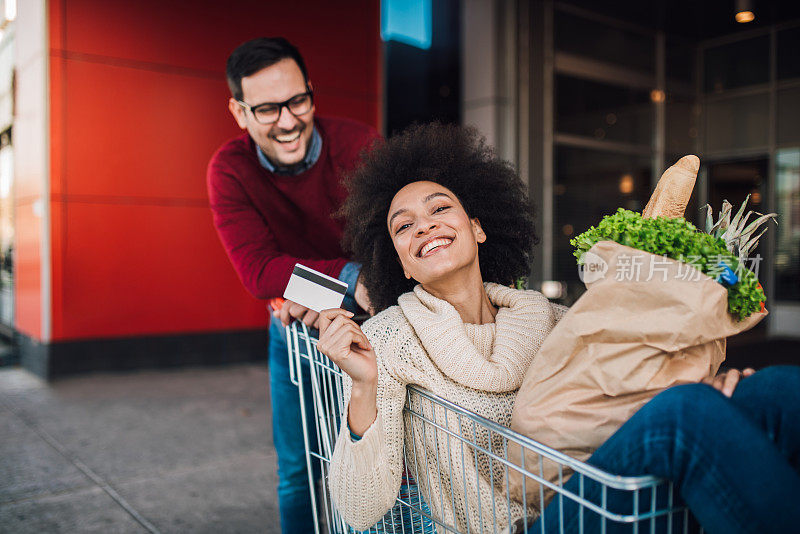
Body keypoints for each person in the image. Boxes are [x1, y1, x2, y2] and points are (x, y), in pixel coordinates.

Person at [315, 122, 800, 534]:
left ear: (479, 227)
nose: (424, 225)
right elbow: (359, 510)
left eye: (440, 208)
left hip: (589, 495)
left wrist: (709, 383)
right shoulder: (388, 339)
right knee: (687, 413)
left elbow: (621, 391)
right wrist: (363, 385)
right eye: (404, 226)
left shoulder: (552, 318)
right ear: (398, 260)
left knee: (774, 390)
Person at [206, 37, 378, 533]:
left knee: (380, 462)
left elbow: (386, 242)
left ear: (311, 93)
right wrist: (350, 280)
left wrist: (306, 286)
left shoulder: (359, 145)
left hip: (374, 328)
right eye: (265, 109)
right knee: (300, 472)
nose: (287, 121)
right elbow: (258, 271)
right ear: (239, 112)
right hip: (295, 333)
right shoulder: (229, 169)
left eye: (296, 101)